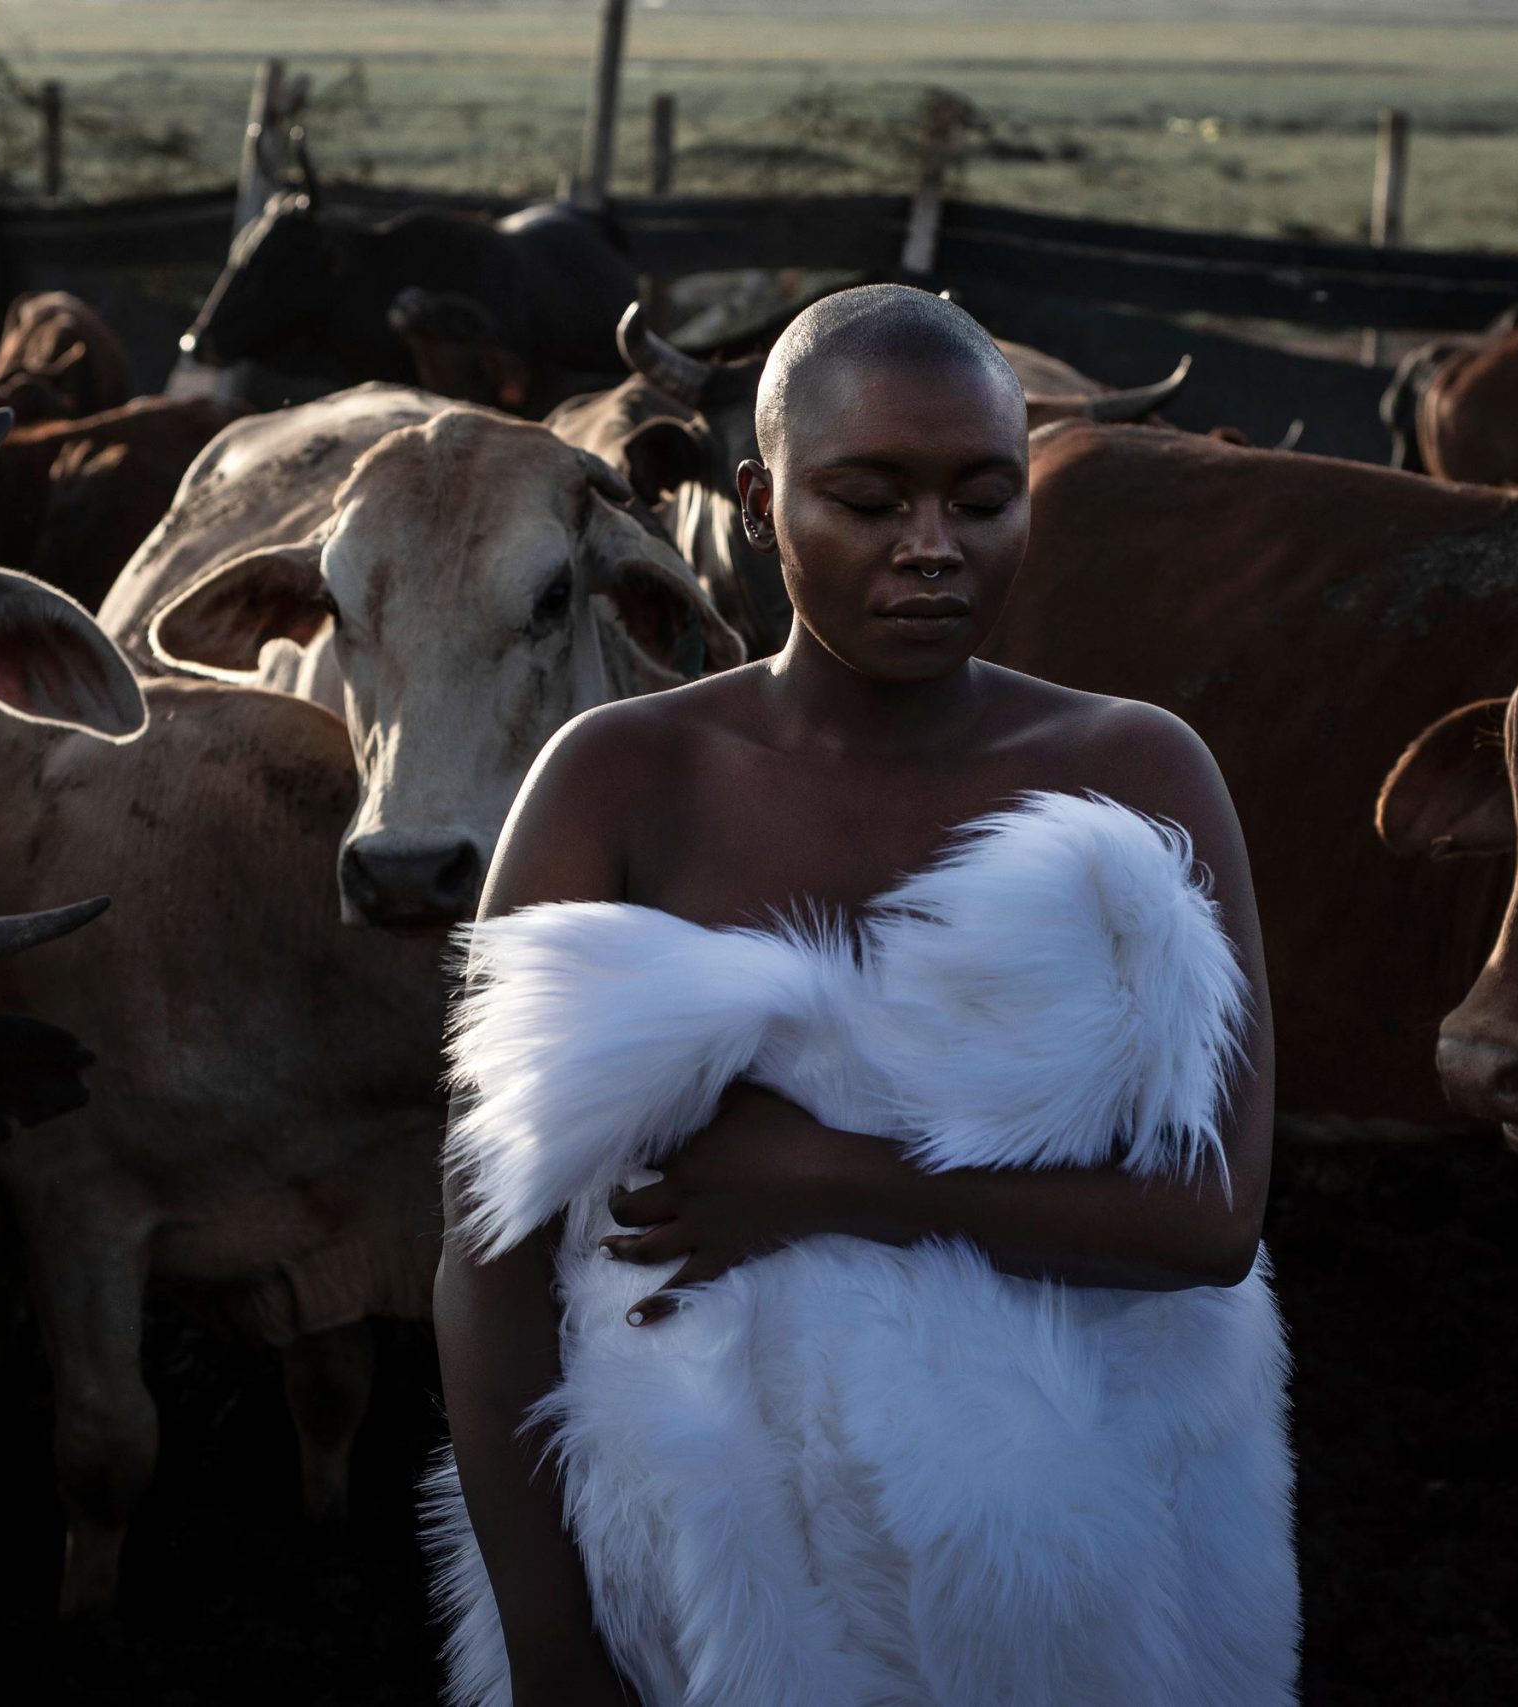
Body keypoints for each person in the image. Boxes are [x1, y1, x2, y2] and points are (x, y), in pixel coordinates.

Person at [431, 285, 1284, 1703]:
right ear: (761, 506)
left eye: (983, 499)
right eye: (870, 500)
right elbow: (486, 1258)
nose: (933, 550)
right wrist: (552, 1649)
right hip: (710, 1594)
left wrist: (835, 1179)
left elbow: (1212, 1220)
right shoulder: (622, 781)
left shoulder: (1138, 774)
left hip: (1080, 1582)